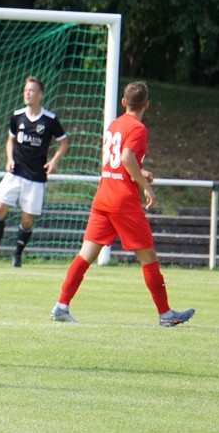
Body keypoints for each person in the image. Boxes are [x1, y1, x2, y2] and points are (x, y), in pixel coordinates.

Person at [50, 81, 194, 326]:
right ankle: (166, 314)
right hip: (123, 200)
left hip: (104, 195)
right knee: (148, 256)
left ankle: (61, 306)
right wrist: (146, 186)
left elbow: (116, 161)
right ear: (146, 104)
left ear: (124, 102)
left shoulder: (114, 124)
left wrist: (141, 171)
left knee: (85, 255)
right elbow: (126, 157)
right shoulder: (138, 128)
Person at [0, 76, 68, 268]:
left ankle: (17, 255)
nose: (27, 94)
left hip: (36, 178)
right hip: (15, 173)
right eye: (25, 90)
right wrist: (9, 159)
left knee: (26, 220)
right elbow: (10, 140)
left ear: (40, 94)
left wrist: (54, 161)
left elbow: (63, 142)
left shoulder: (50, 120)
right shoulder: (17, 116)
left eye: (31, 91)